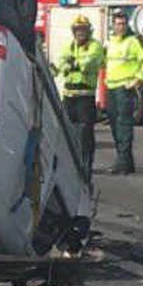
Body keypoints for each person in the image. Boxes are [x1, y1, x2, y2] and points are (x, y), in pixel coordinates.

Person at [103, 10, 143, 175]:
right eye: (118, 23)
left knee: (124, 125)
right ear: (113, 24)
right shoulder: (110, 41)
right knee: (113, 124)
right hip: (111, 87)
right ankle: (126, 161)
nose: (121, 27)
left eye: (123, 23)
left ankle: (122, 163)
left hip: (124, 89)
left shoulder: (134, 41)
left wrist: (137, 79)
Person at [55, 14, 106, 174]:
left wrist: (74, 64)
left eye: (83, 29)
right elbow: (61, 64)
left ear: (88, 31)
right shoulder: (69, 46)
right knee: (67, 133)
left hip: (85, 97)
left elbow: (88, 63)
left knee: (85, 134)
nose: (80, 33)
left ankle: (86, 166)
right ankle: (70, 166)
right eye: (77, 30)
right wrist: (69, 65)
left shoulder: (95, 46)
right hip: (69, 96)